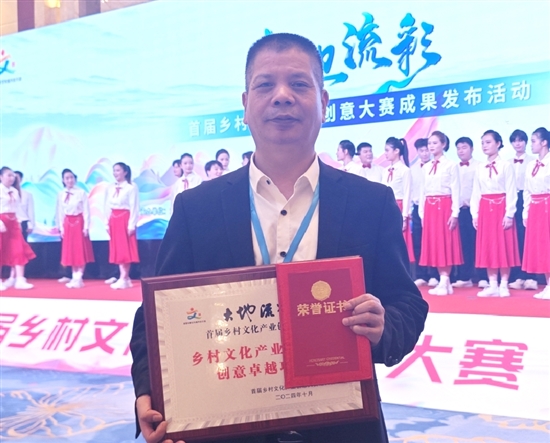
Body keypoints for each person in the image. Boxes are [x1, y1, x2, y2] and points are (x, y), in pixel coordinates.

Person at [130, 32, 427, 443]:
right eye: (265, 85)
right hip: (228, 430)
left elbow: (407, 303)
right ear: (245, 105)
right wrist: (148, 392)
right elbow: (156, 317)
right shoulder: (196, 208)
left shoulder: (371, 202)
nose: (282, 96)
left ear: (324, 102)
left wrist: (383, 326)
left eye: (299, 84)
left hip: (342, 429)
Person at [471, 130, 520, 297]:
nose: (485, 146)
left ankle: (504, 284)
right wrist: (475, 214)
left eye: (488, 142)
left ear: (498, 144)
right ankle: (492, 284)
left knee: (504, 245)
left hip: (501, 207)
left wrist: (509, 214)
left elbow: (511, 190)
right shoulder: (479, 167)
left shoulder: (506, 165)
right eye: (483, 143)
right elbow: (476, 192)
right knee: (488, 245)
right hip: (485, 208)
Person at [419, 131, 463, 296]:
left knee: (445, 242)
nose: (431, 146)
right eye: (429, 143)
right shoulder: (426, 167)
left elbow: (456, 189)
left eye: (435, 143)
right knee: (435, 244)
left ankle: (445, 280)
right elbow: (422, 191)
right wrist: (422, 213)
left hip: (444, 206)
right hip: (429, 207)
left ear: (443, 144)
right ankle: (443, 281)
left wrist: (455, 212)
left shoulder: (451, 165)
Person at [522, 127, 550, 299]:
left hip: (547, 205)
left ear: (544, 142)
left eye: (533, 141)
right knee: (540, 245)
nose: (531, 144)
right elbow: (527, 190)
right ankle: (548, 283)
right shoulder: (531, 164)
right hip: (535, 207)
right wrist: (526, 212)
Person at [507, 129, 537, 291]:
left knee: (528, 237)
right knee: (515, 238)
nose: (517, 143)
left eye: (520, 140)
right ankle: (517, 276)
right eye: (514, 141)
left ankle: (531, 276)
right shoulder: (507, 163)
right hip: (511, 200)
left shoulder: (533, 161)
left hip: (528, 200)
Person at [56, 169, 95, 288]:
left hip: (79, 223)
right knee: (71, 251)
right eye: (67, 178)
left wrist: (86, 227)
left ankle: (79, 277)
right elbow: (60, 212)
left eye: (71, 177)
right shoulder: (61, 194)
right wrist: (61, 227)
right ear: (63, 180)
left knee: (80, 250)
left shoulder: (81, 192)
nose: (70, 180)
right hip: (68, 224)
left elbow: (87, 211)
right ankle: (74, 276)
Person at [104, 162, 140, 289]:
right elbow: (106, 206)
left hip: (125, 219)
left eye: (118, 170)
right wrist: (106, 223)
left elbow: (134, 206)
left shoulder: (131, 187)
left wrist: (131, 224)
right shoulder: (110, 187)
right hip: (114, 219)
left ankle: (124, 277)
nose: (115, 173)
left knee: (125, 250)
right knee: (118, 250)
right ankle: (124, 277)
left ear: (125, 172)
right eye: (114, 170)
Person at [0, 167, 35, 290]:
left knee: (18, 249)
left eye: (13, 176)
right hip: (2, 221)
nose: (12, 178)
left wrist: (19, 221)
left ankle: (19, 279)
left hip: (13, 222)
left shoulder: (15, 191)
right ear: (1, 177)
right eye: (8, 175)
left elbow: (17, 208)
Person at [452, 137, 480, 288]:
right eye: (458, 148)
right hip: (459, 211)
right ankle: (465, 276)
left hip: (476, 210)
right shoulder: (453, 167)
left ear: (472, 149)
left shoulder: (480, 166)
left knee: (478, 243)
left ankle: (482, 276)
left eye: (464, 147)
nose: (461, 151)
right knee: (463, 244)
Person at [382, 137, 414, 264]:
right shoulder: (385, 170)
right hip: (386, 207)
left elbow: (407, 193)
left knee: (401, 241)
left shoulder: (405, 170)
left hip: (399, 207)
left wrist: (404, 216)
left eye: (387, 150)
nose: (385, 153)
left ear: (396, 151)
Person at [409, 138, 434, 286]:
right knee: (418, 242)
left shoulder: (435, 166)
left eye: (426, 150)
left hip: (433, 207)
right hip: (417, 208)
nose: (424, 153)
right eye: (421, 151)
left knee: (434, 242)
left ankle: (434, 274)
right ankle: (421, 274)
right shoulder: (412, 170)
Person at [13, 171, 35, 241]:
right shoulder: (6, 193)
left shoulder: (27, 194)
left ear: (21, 179)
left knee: (22, 243)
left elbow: (30, 210)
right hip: (11, 221)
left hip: (23, 223)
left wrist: (31, 224)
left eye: (17, 178)